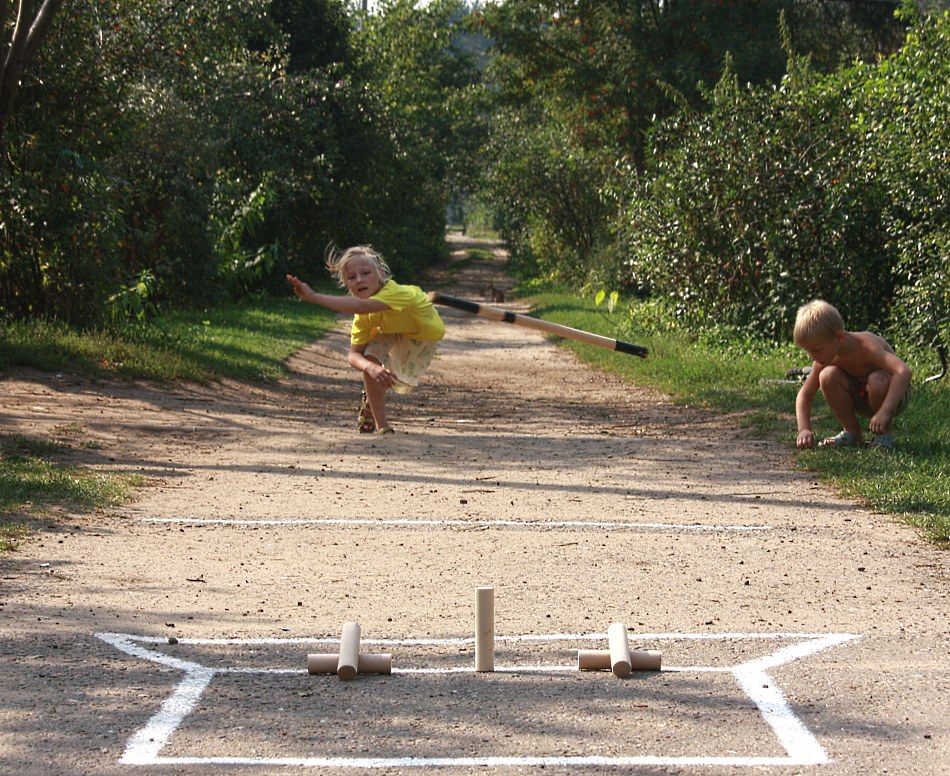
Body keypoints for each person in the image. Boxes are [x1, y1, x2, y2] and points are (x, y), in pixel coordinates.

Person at [287, 245, 445, 435]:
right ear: (346, 284)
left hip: (421, 336)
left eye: (365, 273)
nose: (359, 280)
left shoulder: (397, 293)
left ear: (381, 273)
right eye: (351, 277)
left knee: (399, 379)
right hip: (389, 330)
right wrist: (371, 368)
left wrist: (315, 297)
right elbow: (353, 355)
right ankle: (382, 426)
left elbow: (362, 307)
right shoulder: (363, 316)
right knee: (370, 356)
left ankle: (371, 396)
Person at [793, 299, 912, 450]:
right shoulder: (825, 359)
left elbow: (904, 371)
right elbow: (804, 395)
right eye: (808, 351)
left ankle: (884, 436)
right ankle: (852, 434)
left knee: (877, 379)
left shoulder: (867, 346)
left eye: (817, 350)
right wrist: (804, 429)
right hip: (862, 397)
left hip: (894, 397)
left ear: (839, 337)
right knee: (827, 375)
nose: (812, 356)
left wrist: (886, 411)